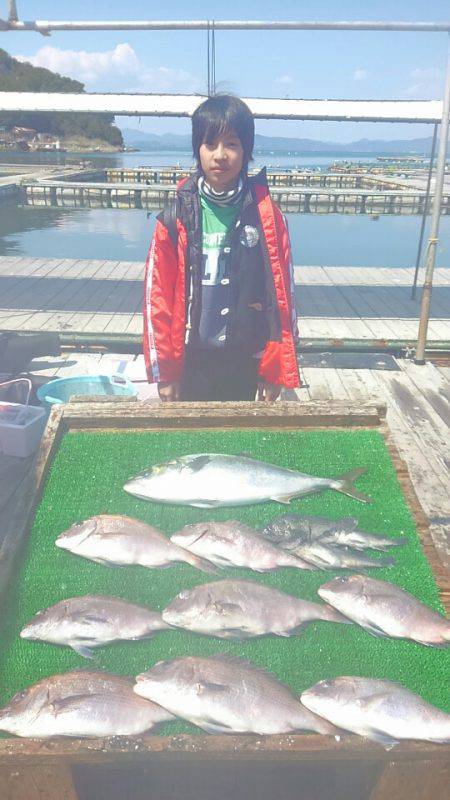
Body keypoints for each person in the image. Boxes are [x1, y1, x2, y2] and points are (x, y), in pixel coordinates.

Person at [143, 94, 300, 402]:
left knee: (240, 429)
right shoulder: (175, 218)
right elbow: (157, 297)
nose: (220, 155)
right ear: (197, 150)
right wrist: (167, 372)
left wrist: (274, 370)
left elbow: (283, 298)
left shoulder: (268, 218)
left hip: (246, 357)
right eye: (210, 143)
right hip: (190, 357)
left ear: (246, 151)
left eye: (232, 144)